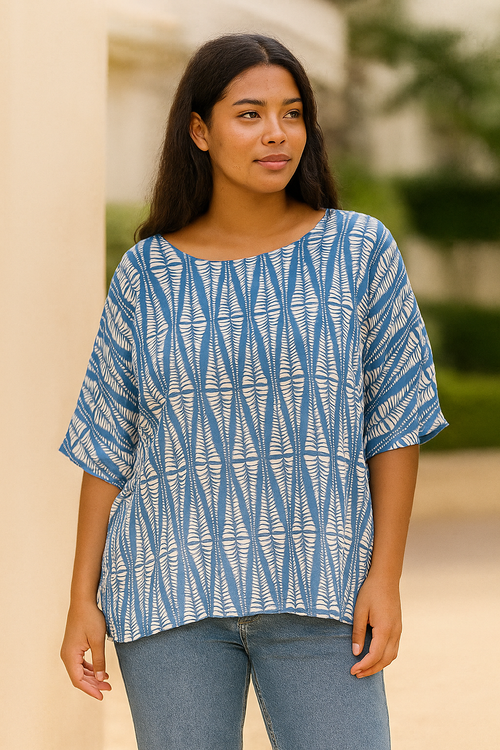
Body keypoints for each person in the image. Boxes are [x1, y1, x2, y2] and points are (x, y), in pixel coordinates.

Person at [60, 33, 447, 750]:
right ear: (199, 131)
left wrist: (385, 578)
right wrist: (81, 597)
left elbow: (396, 421)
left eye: (292, 113)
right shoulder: (147, 273)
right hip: (166, 589)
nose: (277, 133)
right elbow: (108, 441)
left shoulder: (359, 251)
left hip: (322, 585)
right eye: (250, 114)